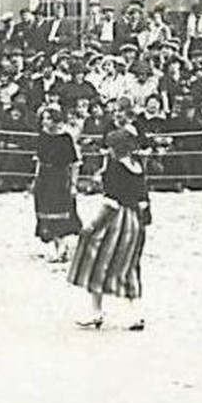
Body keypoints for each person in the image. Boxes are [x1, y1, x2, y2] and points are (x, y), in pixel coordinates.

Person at [67, 127, 149, 331]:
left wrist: (92, 226)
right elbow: (143, 200)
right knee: (129, 267)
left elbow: (110, 202)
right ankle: (135, 314)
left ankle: (96, 311)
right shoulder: (138, 166)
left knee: (96, 260)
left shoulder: (114, 168)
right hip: (135, 222)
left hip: (116, 220)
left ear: (117, 148)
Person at [31, 106, 83, 263]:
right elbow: (39, 160)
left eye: (48, 118)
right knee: (45, 212)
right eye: (43, 118)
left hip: (60, 177)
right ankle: (56, 246)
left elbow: (74, 164)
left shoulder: (66, 138)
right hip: (44, 178)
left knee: (61, 211)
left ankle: (62, 246)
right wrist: (35, 179)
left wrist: (74, 184)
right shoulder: (42, 136)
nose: (45, 121)